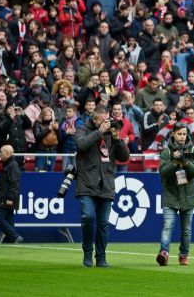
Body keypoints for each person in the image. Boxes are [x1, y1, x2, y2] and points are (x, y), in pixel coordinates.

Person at [75, 107, 130, 268]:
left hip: (106, 182)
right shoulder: (83, 129)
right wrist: (99, 132)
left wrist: (117, 138)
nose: (107, 123)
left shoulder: (111, 132)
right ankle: (87, 251)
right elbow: (81, 144)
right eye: (103, 120)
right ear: (94, 120)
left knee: (104, 223)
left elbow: (124, 157)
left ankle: (101, 256)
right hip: (86, 181)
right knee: (87, 216)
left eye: (108, 119)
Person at [156, 123, 194, 266]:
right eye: (179, 134)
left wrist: (186, 164)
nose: (182, 137)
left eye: (184, 134)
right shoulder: (166, 152)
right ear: (173, 134)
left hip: (188, 195)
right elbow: (163, 172)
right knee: (168, 226)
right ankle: (164, 253)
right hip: (171, 194)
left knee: (187, 230)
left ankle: (184, 254)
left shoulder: (193, 150)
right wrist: (175, 162)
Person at [0, 145, 23, 244]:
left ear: (6, 153)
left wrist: (10, 198)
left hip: (5, 198)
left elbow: (15, 183)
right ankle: (11, 242)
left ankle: (15, 237)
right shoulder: (9, 165)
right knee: (9, 221)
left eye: (1, 151)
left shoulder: (13, 165)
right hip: (5, 197)